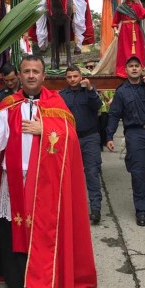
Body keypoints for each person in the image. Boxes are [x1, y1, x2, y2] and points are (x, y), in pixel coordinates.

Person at [0, 55, 97, 288]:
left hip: (46, 182)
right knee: (16, 231)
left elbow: (70, 136)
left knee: (46, 232)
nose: (31, 75)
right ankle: (21, 281)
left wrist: (45, 128)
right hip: (14, 181)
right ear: (19, 76)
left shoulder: (56, 103)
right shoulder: (8, 104)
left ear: (44, 77)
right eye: (26, 71)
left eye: (36, 71)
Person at [106, 56, 145, 226]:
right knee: (138, 172)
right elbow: (114, 114)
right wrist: (109, 136)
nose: (134, 69)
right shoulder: (122, 91)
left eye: (136, 66)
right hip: (134, 134)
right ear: (126, 70)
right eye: (130, 66)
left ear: (141, 68)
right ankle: (141, 210)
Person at [59, 65, 103, 224]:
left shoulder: (90, 92)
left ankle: (96, 209)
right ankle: (71, 210)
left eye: (75, 76)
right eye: (69, 77)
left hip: (90, 137)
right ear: (66, 79)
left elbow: (98, 106)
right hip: (69, 139)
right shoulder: (61, 96)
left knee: (92, 172)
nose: (72, 79)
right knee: (69, 174)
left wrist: (90, 89)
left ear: (81, 76)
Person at [112, 0, 145, 78]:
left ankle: (139, 69)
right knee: (125, 49)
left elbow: (144, 14)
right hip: (124, 31)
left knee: (138, 49)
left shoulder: (137, 6)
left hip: (136, 30)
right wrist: (116, 30)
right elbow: (115, 22)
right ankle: (124, 70)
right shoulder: (120, 8)